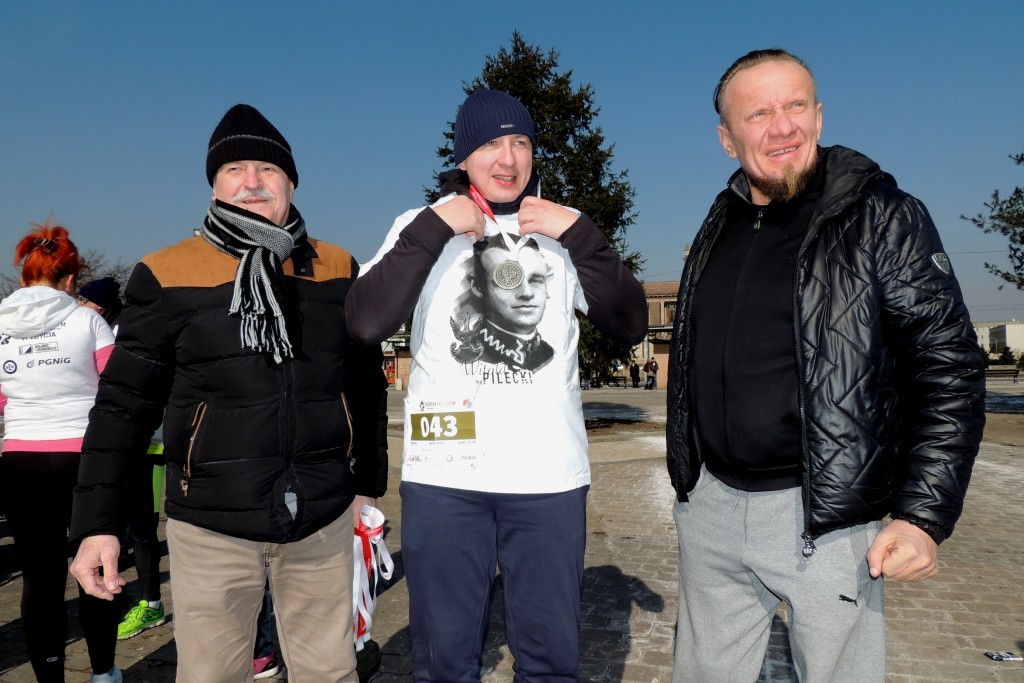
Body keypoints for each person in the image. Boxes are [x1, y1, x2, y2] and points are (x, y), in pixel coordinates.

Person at [666, 49, 986, 682]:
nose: (783, 126)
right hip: (712, 511)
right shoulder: (719, 222)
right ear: (727, 139)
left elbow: (949, 369)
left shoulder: (882, 215)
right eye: (759, 113)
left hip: (830, 520)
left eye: (795, 106)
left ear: (818, 115)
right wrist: (691, 481)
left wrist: (922, 517)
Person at [68, 103, 388, 682]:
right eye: (235, 169)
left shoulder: (337, 267)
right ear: (214, 185)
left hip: (321, 519)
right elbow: (122, 409)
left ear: (291, 184)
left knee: (332, 673)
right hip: (211, 526)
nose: (252, 182)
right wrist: (97, 526)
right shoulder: (165, 272)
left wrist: (367, 482)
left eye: (268, 169)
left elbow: (365, 384)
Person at [346, 89, 647, 681]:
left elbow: (631, 322)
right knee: (444, 663)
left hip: (547, 482)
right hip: (446, 481)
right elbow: (364, 322)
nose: (508, 158)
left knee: (549, 661)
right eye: (489, 144)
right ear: (463, 157)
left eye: (520, 143)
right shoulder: (420, 225)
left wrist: (581, 234)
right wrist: (435, 227)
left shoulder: (561, 230)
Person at [0, 222, 122, 683]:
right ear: (71, 279)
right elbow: (116, 391)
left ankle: (49, 678)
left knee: (39, 577)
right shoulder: (89, 321)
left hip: (21, 460)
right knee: (96, 563)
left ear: (24, 276)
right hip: (85, 459)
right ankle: (103, 672)